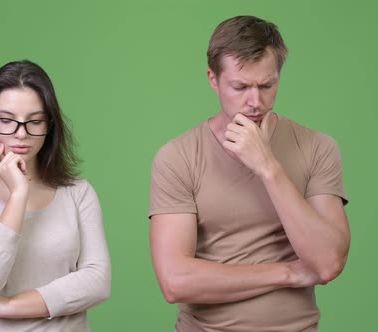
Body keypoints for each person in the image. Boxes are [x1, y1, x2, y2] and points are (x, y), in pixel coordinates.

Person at [148, 16, 350, 332]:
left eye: (267, 85)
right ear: (213, 79)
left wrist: (268, 166)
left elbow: (327, 263)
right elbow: (175, 282)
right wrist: (288, 273)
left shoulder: (317, 147)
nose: (255, 102)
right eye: (240, 87)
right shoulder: (177, 157)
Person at [0, 60, 111, 331]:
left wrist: (6, 306)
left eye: (34, 121)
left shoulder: (78, 192)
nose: (21, 134)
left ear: (49, 125)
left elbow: (97, 282)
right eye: (6, 121)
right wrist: (18, 195)